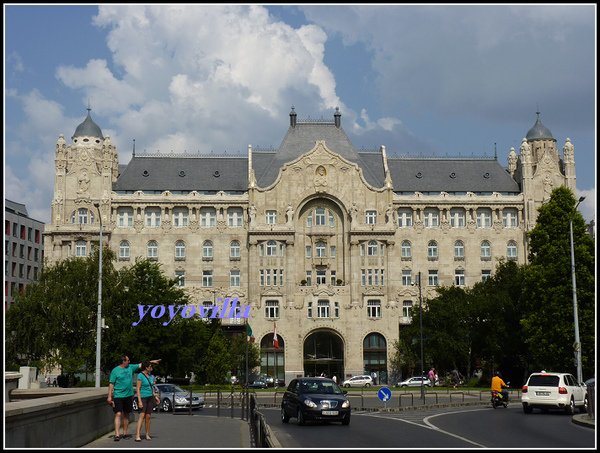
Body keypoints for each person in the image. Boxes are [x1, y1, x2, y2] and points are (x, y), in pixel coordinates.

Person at [107, 355, 161, 441]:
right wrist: (109, 396)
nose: (129, 361)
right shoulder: (115, 371)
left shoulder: (130, 367)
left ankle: (125, 433)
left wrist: (153, 361)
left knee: (126, 414)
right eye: (128, 360)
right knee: (118, 414)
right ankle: (117, 434)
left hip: (128, 395)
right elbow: (111, 384)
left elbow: (142, 364)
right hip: (118, 395)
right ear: (123, 361)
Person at [135, 361, 156, 442]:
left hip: (150, 397)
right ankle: (137, 435)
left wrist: (155, 396)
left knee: (148, 417)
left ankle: (147, 434)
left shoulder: (151, 376)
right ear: (146, 368)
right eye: (150, 366)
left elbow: (152, 387)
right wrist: (139, 401)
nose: (151, 368)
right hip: (143, 397)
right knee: (142, 416)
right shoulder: (140, 375)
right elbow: (138, 389)